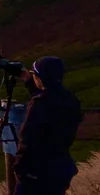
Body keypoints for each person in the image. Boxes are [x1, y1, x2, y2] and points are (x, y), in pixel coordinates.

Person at [13, 56, 84, 195]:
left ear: (40, 78)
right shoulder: (70, 99)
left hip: (35, 173)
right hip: (59, 170)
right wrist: (28, 80)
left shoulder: (39, 105)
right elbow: (50, 98)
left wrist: (19, 169)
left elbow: (27, 139)